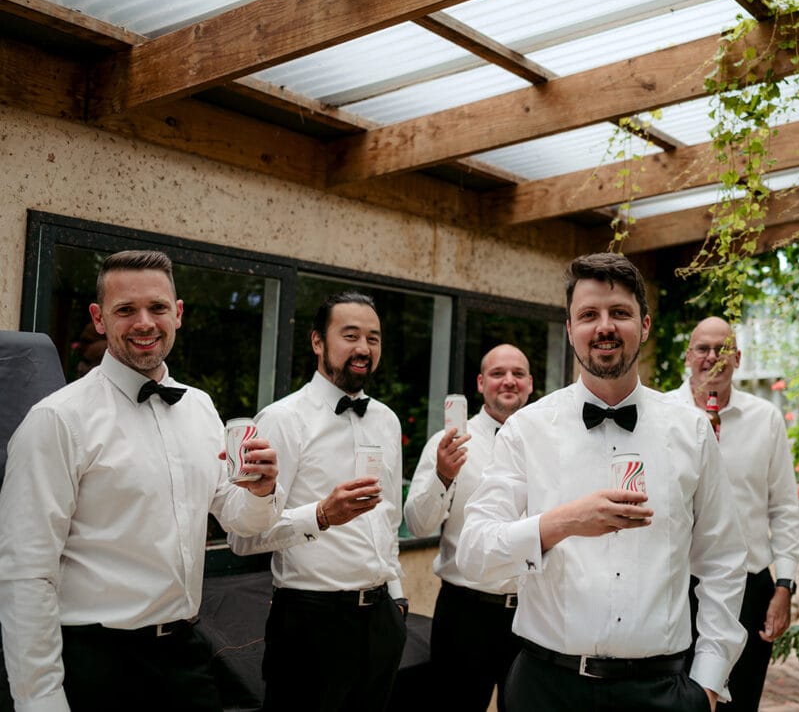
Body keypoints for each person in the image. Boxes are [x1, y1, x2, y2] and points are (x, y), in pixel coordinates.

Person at [457, 252, 747, 712]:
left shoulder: (691, 431)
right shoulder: (525, 430)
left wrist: (708, 683)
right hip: (545, 689)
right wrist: (563, 522)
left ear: (644, 325)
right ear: (570, 328)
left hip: (661, 691)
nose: (604, 327)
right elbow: (473, 554)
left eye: (620, 313)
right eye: (589, 314)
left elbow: (722, 559)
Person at [0, 249, 283, 712]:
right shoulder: (56, 420)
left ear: (178, 313)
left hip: (186, 654)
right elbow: (25, 572)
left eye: (157, 307)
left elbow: (240, 521)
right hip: (96, 663)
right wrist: (40, 699)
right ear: (99, 318)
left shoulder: (200, 407)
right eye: (126, 310)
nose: (144, 323)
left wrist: (261, 491)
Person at [228, 291, 407, 711]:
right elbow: (243, 538)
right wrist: (321, 515)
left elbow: (389, 518)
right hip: (310, 623)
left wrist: (396, 595)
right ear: (317, 342)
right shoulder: (282, 420)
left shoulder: (387, 419)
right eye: (350, 335)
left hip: (381, 620)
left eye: (373, 338)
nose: (364, 348)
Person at [664, 316, 799, 712]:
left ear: (737, 358)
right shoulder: (660, 413)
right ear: (688, 356)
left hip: (747, 586)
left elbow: (784, 507)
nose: (712, 357)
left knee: (740, 702)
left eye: (722, 349)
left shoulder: (766, 419)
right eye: (703, 349)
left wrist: (784, 586)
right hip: (674, 585)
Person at [405, 343, 534, 711]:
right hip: (465, 615)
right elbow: (417, 524)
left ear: (530, 383)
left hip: (531, 614)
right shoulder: (448, 443)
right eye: (497, 373)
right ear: (480, 383)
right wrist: (443, 476)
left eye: (518, 374)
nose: (508, 381)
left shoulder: (548, 445)